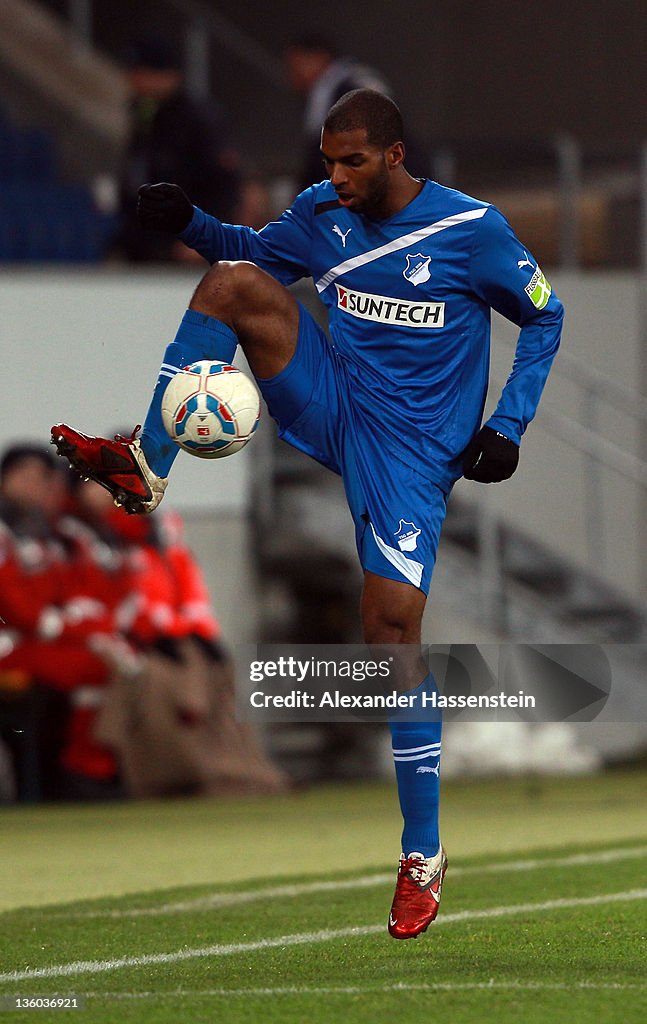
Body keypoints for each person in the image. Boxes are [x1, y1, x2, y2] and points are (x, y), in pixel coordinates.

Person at [51, 88, 564, 938]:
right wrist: (188, 219)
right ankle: (146, 464)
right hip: (335, 402)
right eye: (327, 160)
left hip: (411, 454)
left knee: (390, 638)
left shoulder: (470, 230)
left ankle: (423, 857)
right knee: (232, 284)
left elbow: (543, 318)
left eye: (351, 161)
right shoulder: (322, 211)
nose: (333, 176)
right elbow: (251, 251)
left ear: (394, 157)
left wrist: (506, 426)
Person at [112, 35, 242, 262]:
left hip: (185, 246)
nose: (134, 81)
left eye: (142, 73)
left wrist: (206, 238)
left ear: (165, 75)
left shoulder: (197, 119)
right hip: (147, 242)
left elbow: (223, 185)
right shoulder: (144, 115)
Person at [285, 35, 392, 190]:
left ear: (318, 58)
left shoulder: (339, 88)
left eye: (295, 67)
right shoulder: (351, 80)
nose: (292, 76)